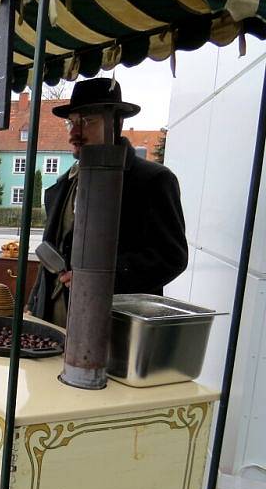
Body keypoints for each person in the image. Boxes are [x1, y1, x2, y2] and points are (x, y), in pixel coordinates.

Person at [28, 78, 188, 326]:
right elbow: (54, 249)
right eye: (72, 122)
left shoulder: (152, 180)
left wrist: (100, 277)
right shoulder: (65, 184)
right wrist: (33, 303)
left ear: (117, 122)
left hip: (111, 328)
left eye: (88, 121)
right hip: (52, 319)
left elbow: (170, 257)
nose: (74, 134)